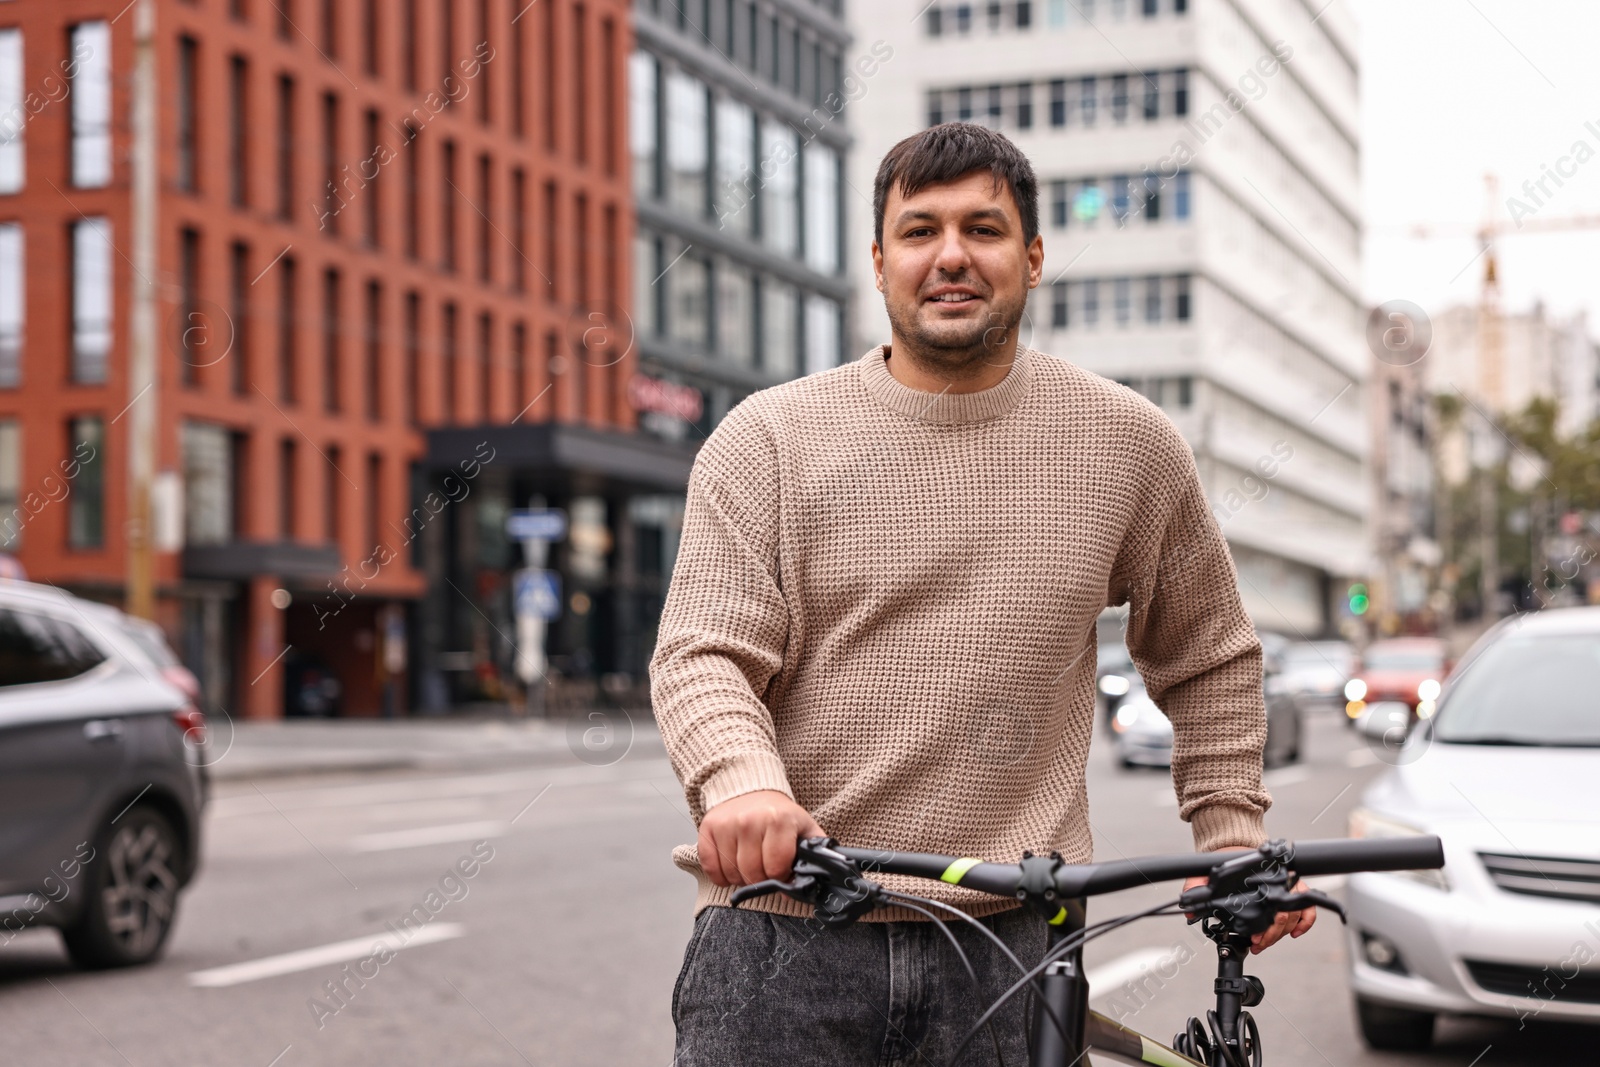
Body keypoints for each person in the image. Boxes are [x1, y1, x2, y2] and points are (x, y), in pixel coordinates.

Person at [649, 122, 1312, 1065]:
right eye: (919, 231)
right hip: (784, 934)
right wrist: (743, 784)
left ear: (1033, 257)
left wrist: (1231, 829)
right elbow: (704, 653)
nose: (950, 255)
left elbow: (1207, 656)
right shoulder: (768, 441)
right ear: (879, 264)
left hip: (1015, 944)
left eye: (983, 229)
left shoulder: (1128, 444)